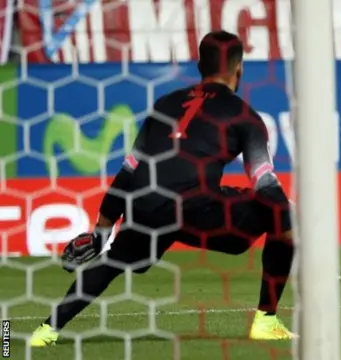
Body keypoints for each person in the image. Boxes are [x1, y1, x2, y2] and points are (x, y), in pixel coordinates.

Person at [29, 30, 297, 346]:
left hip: (147, 207)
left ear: (200, 65)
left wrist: (102, 231)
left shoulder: (164, 105)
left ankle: (45, 331)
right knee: (281, 213)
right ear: (239, 69)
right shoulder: (245, 116)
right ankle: (266, 319)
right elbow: (265, 183)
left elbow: (128, 171)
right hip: (198, 212)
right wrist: (294, 228)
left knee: (115, 260)